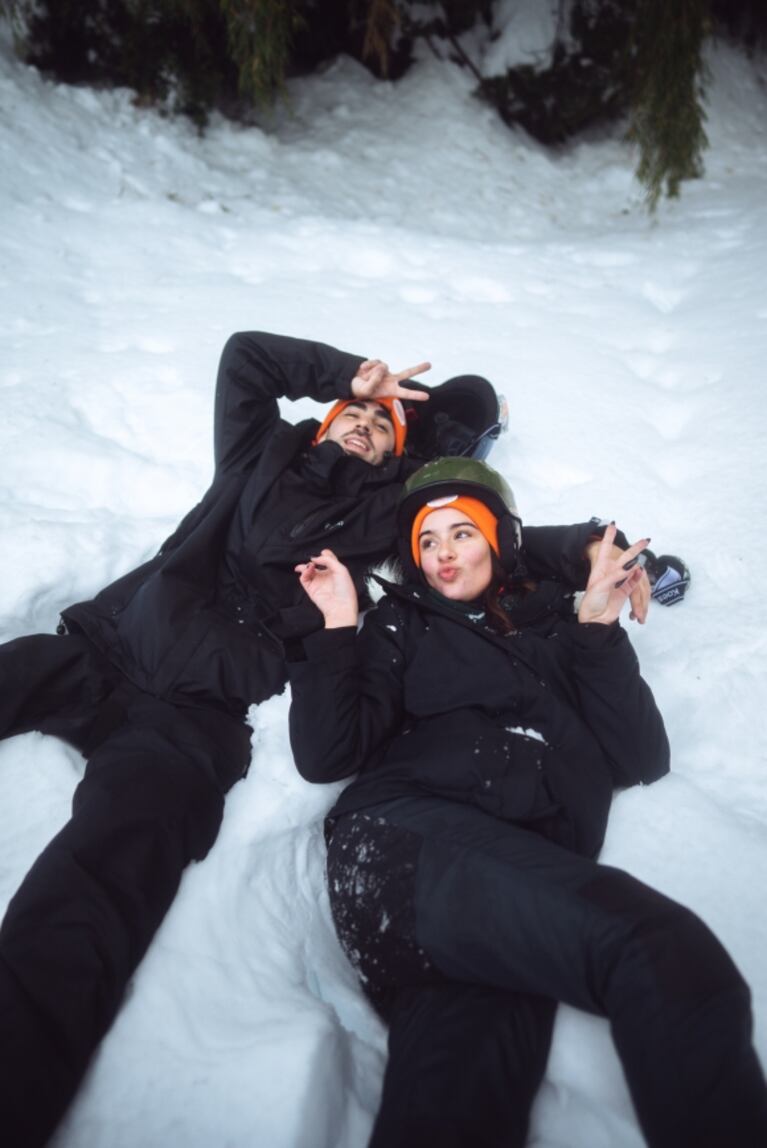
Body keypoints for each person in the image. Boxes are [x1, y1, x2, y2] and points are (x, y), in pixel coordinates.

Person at [0, 330, 635, 1147]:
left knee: (96, 885)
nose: (366, 425)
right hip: (102, 654)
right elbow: (243, 358)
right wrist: (352, 373)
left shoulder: (388, 523)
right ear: (327, 418)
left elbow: (484, 539)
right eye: (355, 415)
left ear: (395, 459)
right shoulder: (256, 454)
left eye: (384, 428)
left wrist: (583, 543)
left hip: (192, 726)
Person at [288, 456, 767, 1148]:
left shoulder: (555, 626)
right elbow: (327, 753)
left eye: (461, 533)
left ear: (496, 540)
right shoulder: (403, 626)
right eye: (427, 540)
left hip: (486, 900)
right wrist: (336, 626)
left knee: (457, 1108)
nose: (442, 553)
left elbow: (640, 757)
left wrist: (597, 632)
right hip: (403, 847)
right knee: (658, 951)